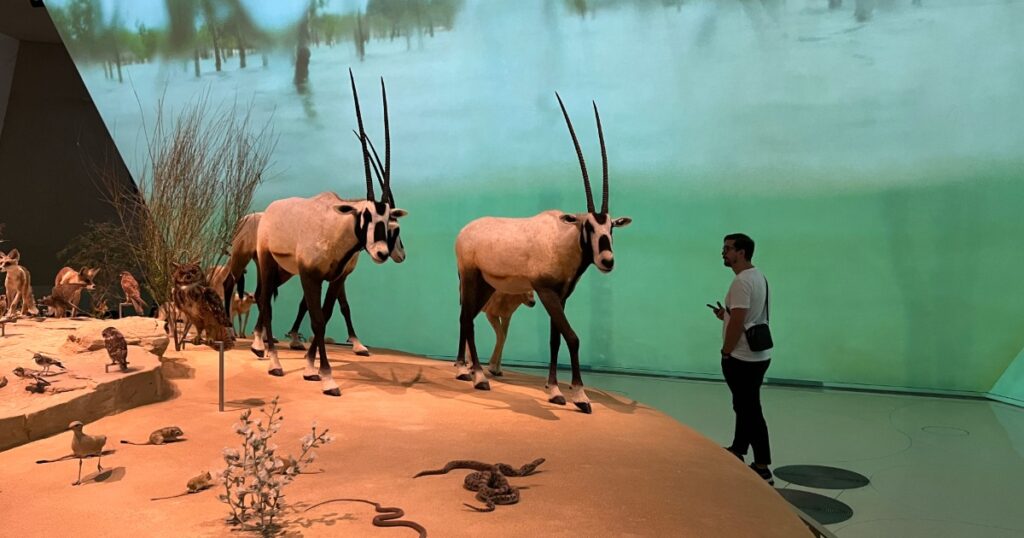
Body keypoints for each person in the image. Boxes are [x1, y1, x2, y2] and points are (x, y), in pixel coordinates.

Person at [707, 233, 774, 485]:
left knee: (750, 409)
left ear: (741, 252)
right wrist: (724, 314)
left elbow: (738, 321)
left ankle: (763, 465)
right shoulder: (758, 277)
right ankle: (738, 449)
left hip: (742, 357)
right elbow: (746, 315)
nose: (724, 253)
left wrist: (726, 351)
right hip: (759, 355)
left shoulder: (741, 282)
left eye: (728, 249)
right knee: (744, 405)